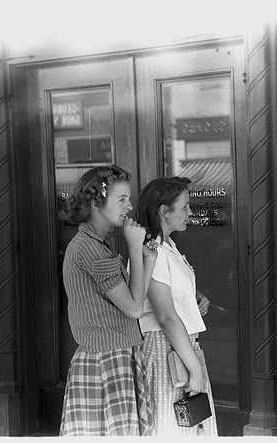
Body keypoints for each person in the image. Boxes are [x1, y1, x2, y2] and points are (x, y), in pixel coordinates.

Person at [60, 165, 157, 436]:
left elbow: (134, 299)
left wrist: (147, 260)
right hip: (105, 362)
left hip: (114, 356)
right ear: (96, 203)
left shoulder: (97, 244)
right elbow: (135, 308)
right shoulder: (91, 249)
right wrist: (135, 248)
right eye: (122, 199)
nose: (130, 206)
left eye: (129, 198)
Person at [136, 177, 218, 436]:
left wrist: (194, 295)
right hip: (165, 350)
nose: (190, 212)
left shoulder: (167, 246)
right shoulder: (152, 251)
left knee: (191, 427)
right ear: (164, 211)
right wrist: (195, 369)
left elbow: (171, 292)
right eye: (184, 207)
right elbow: (166, 316)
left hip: (180, 347)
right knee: (173, 428)